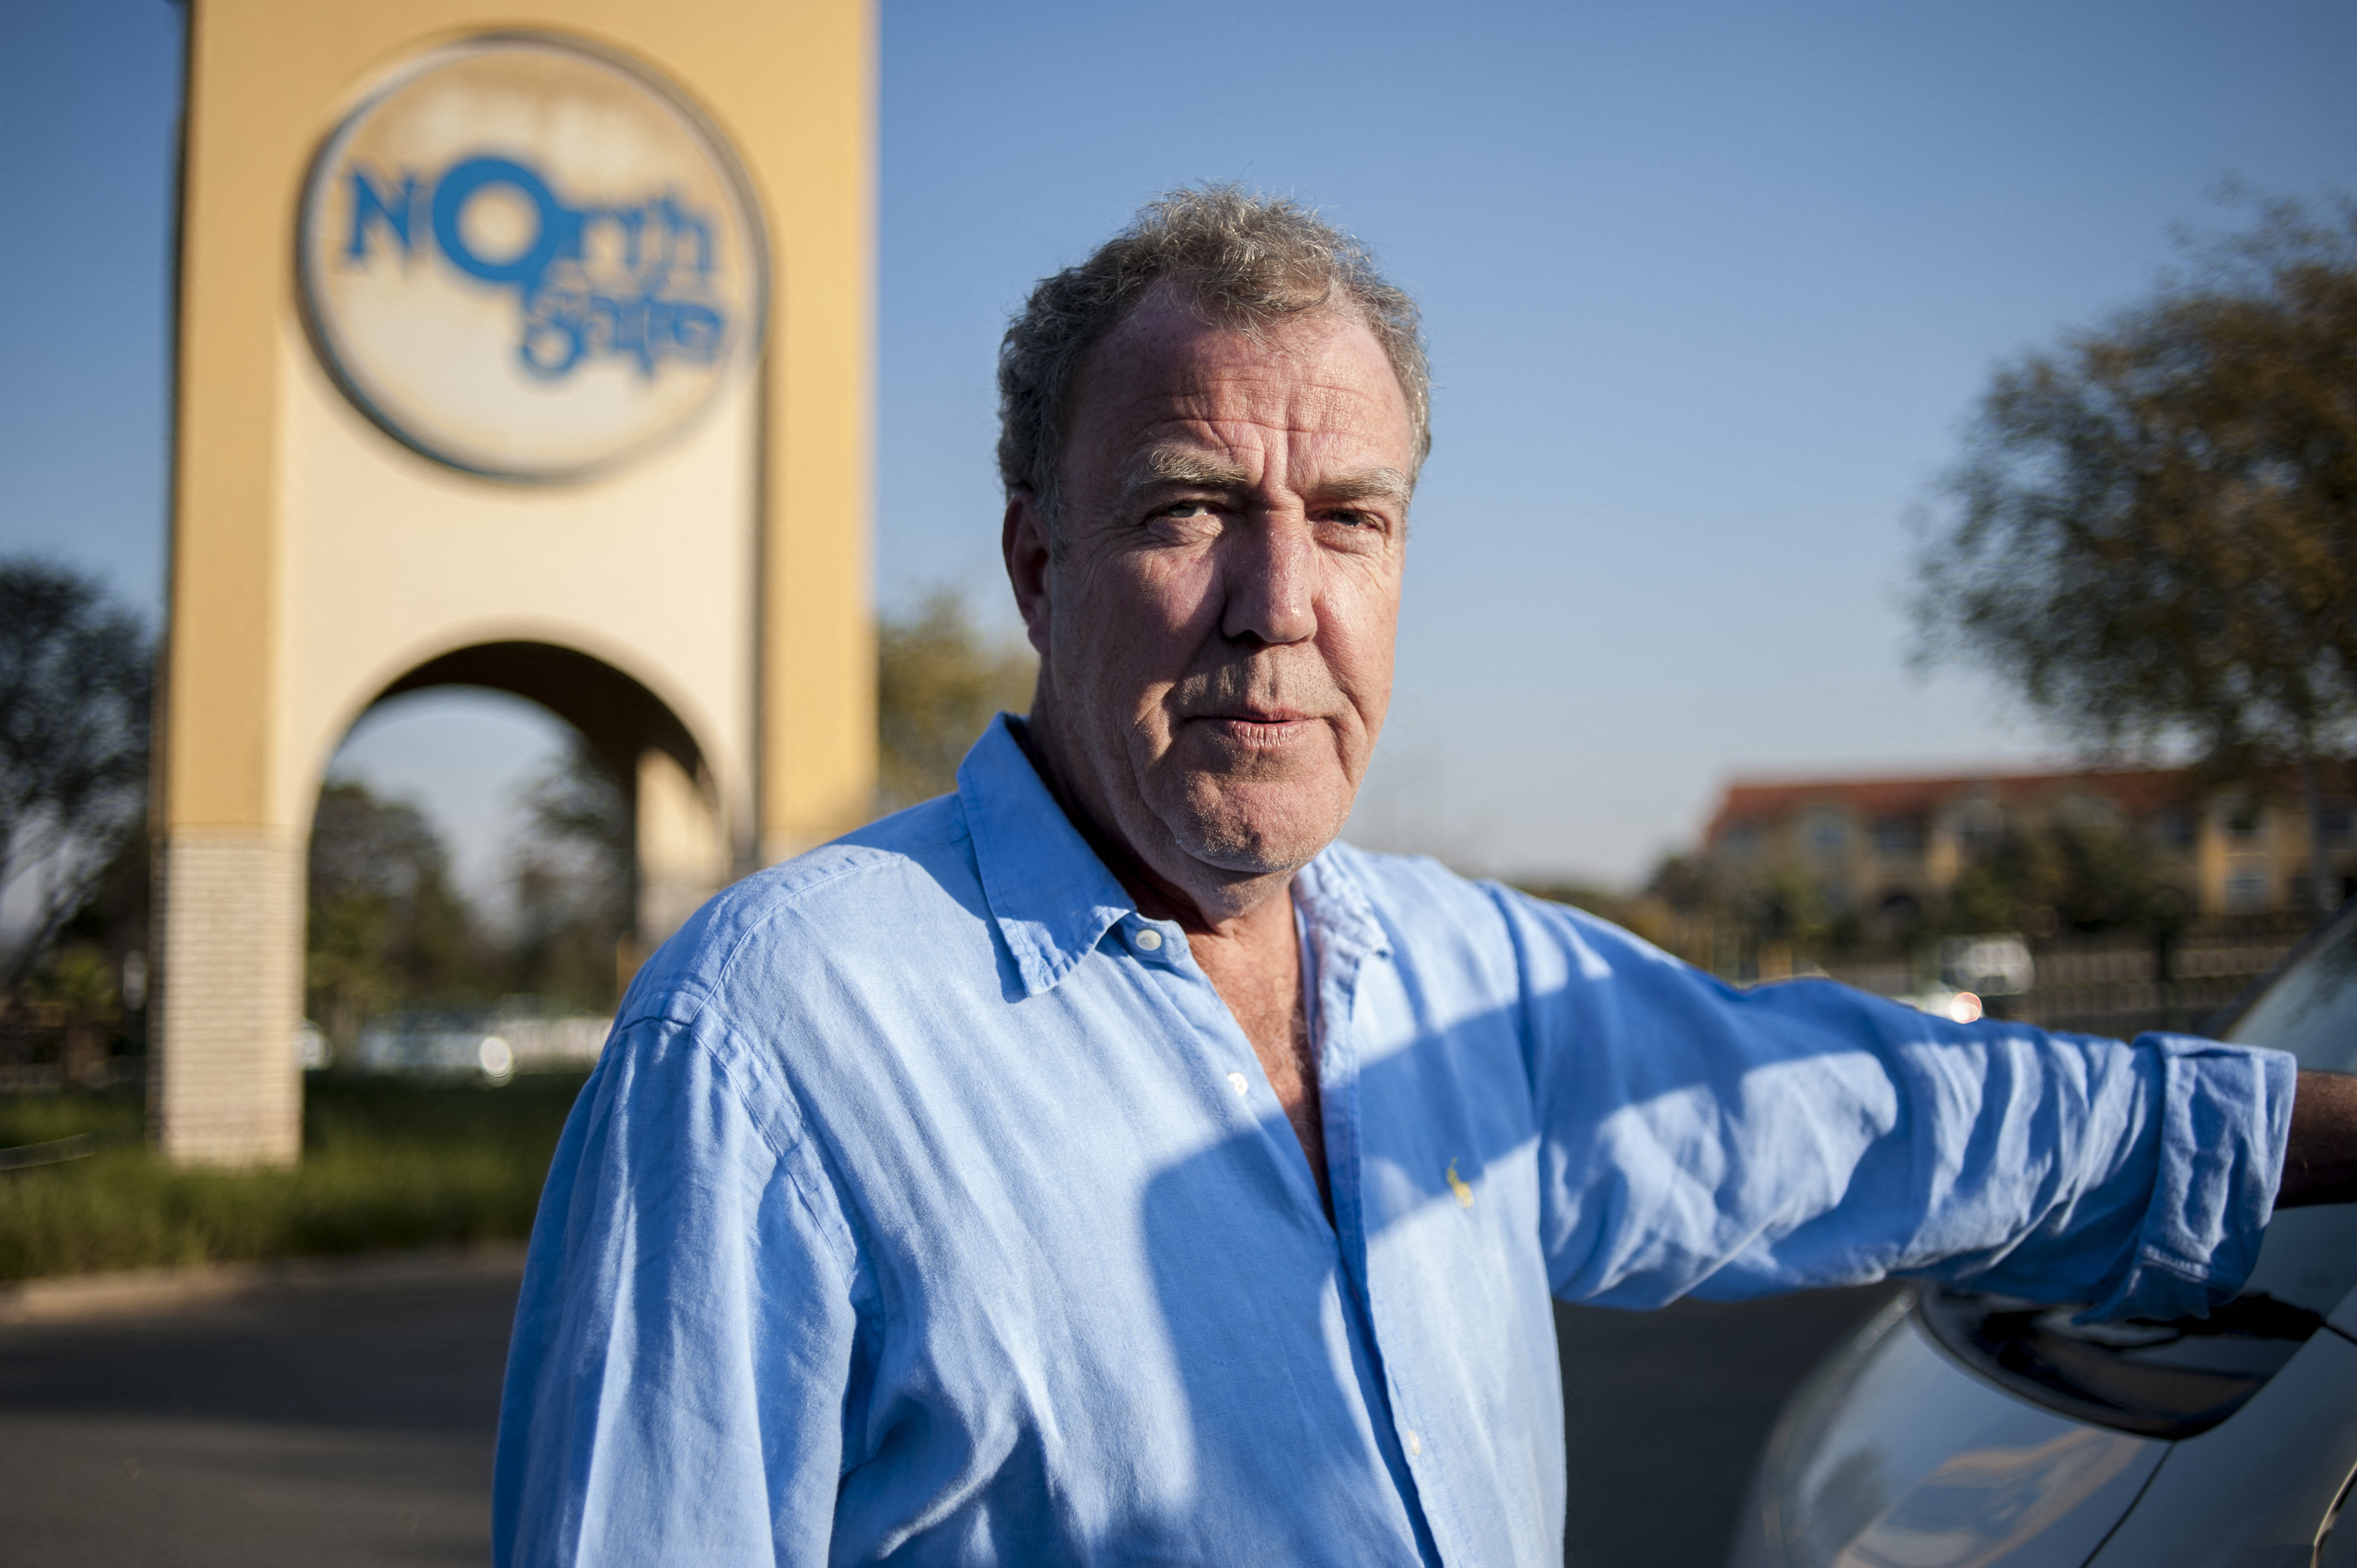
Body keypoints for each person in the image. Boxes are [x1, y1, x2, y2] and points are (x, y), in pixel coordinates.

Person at [493, 187, 2357, 1566]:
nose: (1279, 603)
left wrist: (2333, 1129)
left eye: (1351, 521)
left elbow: (1885, 1114)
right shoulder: (773, 1041)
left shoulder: (1458, 977)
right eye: (1188, 506)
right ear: (1041, 568)